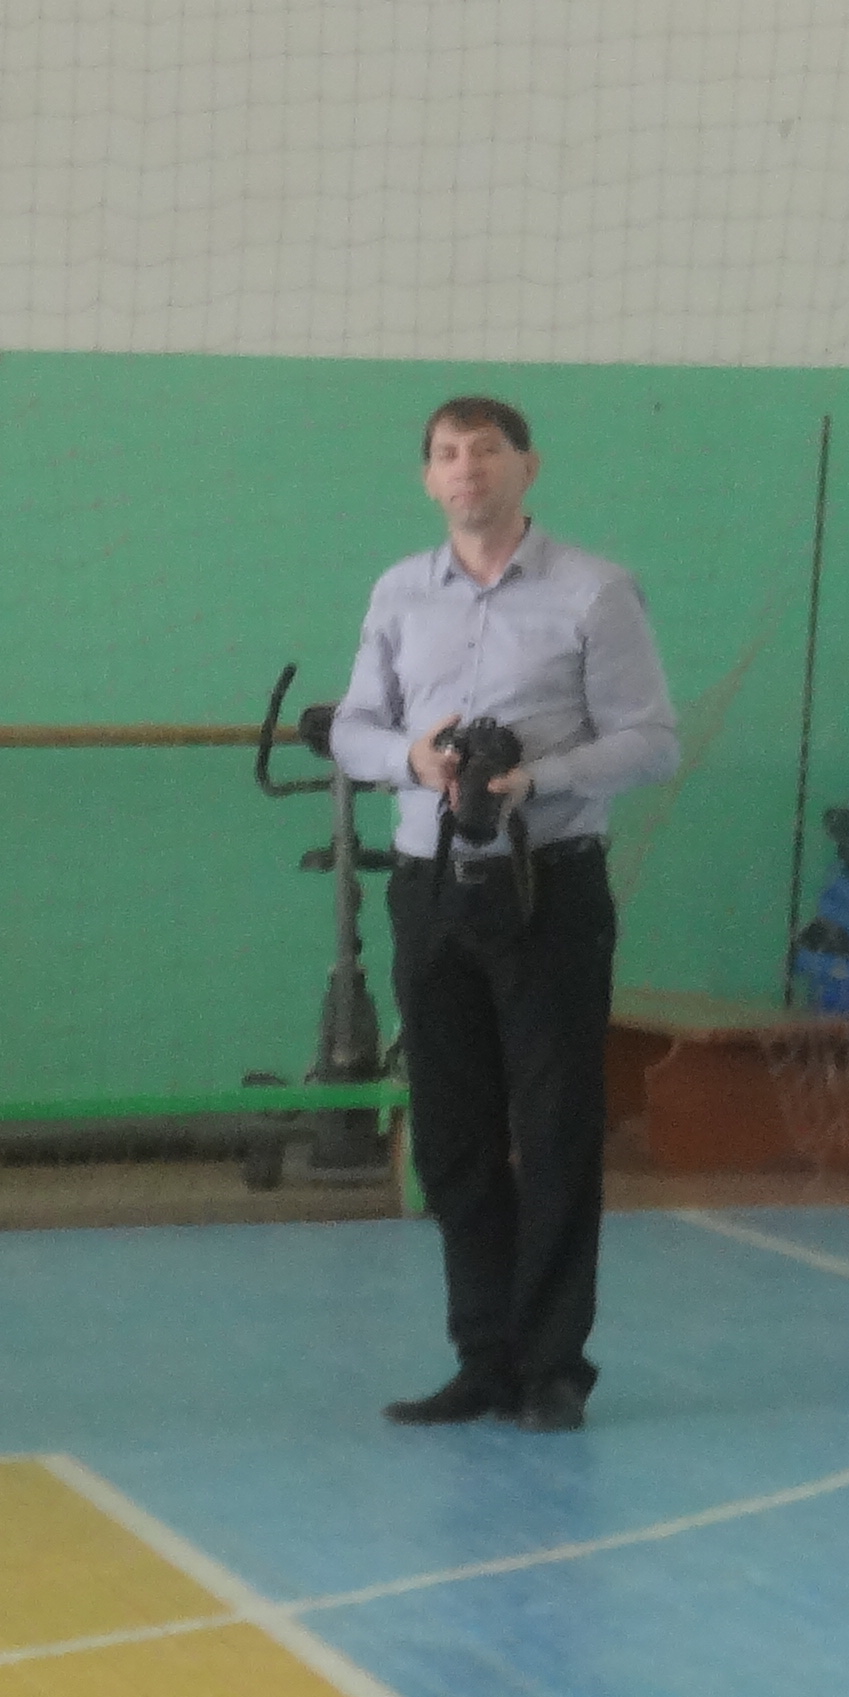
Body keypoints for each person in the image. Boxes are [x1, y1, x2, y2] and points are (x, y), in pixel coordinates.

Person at [332, 395, 680, 1432]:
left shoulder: (595, 591)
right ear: (427, 478)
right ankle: (483, 1358)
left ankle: (553, 1366)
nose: (467, 469)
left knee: (557, 1125)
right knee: (450, 1135)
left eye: (487, 451)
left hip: (550, 885)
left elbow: (652, 740)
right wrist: (412, 758)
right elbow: (351, 727)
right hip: (430, 887)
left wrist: (541, 779)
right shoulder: (398, 593)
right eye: (447, 453)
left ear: (529, 467)